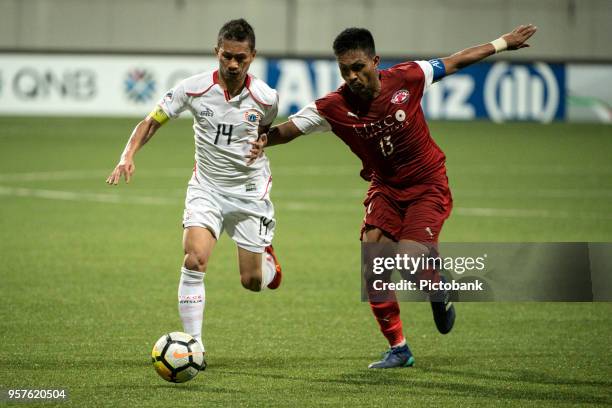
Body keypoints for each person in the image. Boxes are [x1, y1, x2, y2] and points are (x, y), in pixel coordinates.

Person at [251, 24, 537, 368]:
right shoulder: (333, 106)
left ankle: (437, 284)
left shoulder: (408, 77)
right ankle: (399, 349)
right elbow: (287, 130)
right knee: (374, 265)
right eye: (345, 70)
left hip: (427, 185)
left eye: (359, 67)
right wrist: (257, 138)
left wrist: (503, 43)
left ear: (375, 61)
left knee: (408, 259)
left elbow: (457, 61)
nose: (353, 76)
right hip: (385, 189)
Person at [106, 18, 282, 369]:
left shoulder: (267, 97)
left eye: (241, 58)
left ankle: (267, 259)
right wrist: (128, 155)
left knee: (252, 282)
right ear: (217, 51)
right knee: (195, 259)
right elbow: (151, 120)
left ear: (253, 57)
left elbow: (265, 132)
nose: (233, 64)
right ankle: (194, 347)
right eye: (227, 56)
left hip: (249, 193)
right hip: (206, 189)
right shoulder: (192, 88)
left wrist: (260, 145)